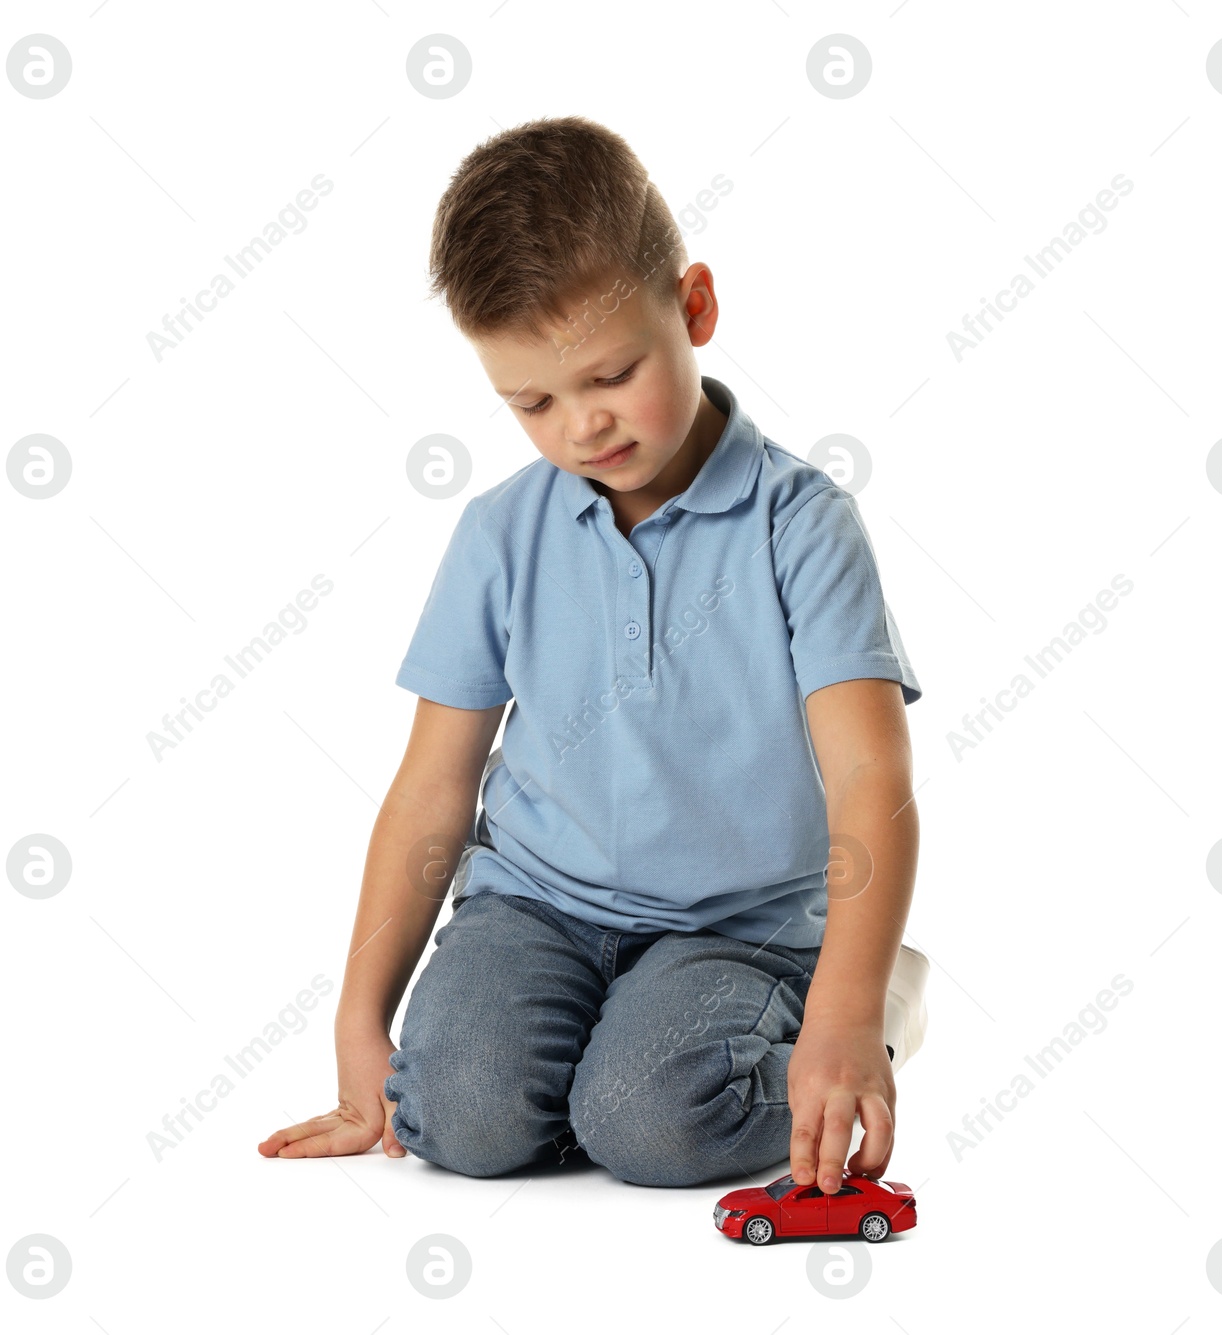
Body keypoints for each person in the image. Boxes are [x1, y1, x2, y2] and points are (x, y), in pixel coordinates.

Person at [258, 115, 928, 1193]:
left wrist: (843, 1021)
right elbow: (434, 787)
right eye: (531, 401)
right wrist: (357, 1021)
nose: (582, 427)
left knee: (652, 1125)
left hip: (741, 931)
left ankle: (866, 999)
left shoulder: (799, 524)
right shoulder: (498, 534)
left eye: (612, 375)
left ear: (694, 308)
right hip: (536, 907)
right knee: (452, 1120)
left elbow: (870, 781)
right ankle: (589, 1063)